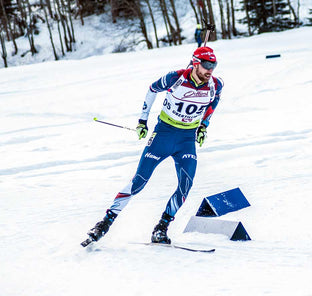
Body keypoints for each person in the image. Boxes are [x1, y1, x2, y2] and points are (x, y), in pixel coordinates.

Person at [83, 47, 223, 246]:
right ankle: (104, 224)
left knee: (185, 186)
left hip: (187, 140)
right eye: (207, 65)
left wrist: (204, 126)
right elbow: (151, 90)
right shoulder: (175, 79)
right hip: (164, 135)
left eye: (214, 65)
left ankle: (161, 228)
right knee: (139, 182)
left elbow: (215, 101)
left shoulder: (215, 85)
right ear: (195, 63)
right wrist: (142, 121)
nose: (211, 70)